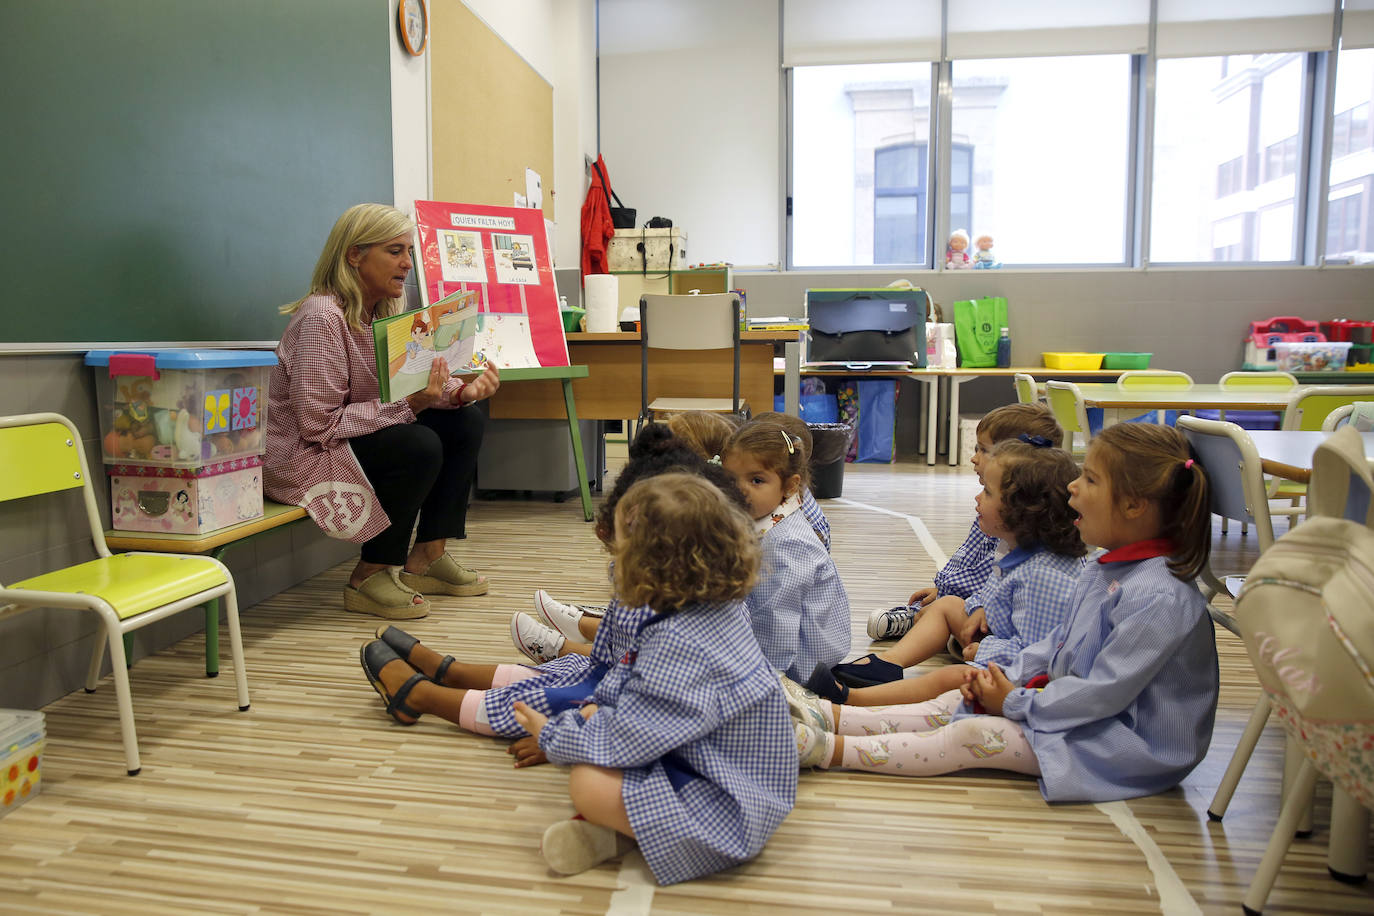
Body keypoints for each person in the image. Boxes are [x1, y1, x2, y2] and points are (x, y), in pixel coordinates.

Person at [787, 424, 1219, 804]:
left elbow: (1102, 693)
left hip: (1124, 745)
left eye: (1089, 479)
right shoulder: (1110, 565)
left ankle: (822, 749)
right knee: (958, 698)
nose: (1073, 488)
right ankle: (831, 716)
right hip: (1082, 715)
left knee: (971, 735)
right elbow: (1058, 645)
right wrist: (1003, 677)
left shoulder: (1158, 596)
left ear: (1134, 506)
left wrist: (1013, 700)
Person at [356, 423, 752, 771]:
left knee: (543, 701)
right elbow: (615, 664)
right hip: (614, 684)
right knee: (555, 676)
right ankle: (452, 672)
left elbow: (637, 709)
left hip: (624, 706)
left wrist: (567, 740)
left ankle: (424, 697)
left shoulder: (675, 627)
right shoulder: (676, 593)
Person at [515, 473, 797, 883]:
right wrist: (593, 714)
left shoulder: (678, 638)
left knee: (586, 784)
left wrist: (555, 736)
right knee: (596, 720)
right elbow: (637, 684)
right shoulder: (710, 608)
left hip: (728, 810)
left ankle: (655, 835)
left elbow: (635, 733)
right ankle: (627, 835)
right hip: (712, 759)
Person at [264, 203, 501, 619]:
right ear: (355, 255)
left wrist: (462, 394)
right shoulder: (323, 317)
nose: (408, 264)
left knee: (464, 421)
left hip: (347, 435)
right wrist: (409, 407)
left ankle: (427, 556)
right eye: (395, 251)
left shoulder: (382, 311)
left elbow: (415, 383)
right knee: (419, 443)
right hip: (304, 455)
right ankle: (369, 576)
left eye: (408, 252)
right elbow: (318, 425)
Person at [802, 439, 1086, 705]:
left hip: (1022, 678)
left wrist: (984, 651)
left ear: (1023, 511)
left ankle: (853, 700)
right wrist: (980, 608)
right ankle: (888, 664)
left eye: (987, 492)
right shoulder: (1015, 548)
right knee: (947, 605)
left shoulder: (1046, 577)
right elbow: (996, 592)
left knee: (950, 678)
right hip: (993, 635)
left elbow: (1038, 655)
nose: (978, 498)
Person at [867, 403, 1064, 641]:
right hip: (973, 602)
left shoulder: (1013, 524)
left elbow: (992, 582)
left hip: (989, 620)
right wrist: (943, 589)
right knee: (941, 608)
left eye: (983, 450)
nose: (974, 458)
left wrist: (953, 602)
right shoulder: (991, 509)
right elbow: (968, 563)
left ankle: (929, 626)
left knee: (939, 615)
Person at [720, 417, 850, 682]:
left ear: (790, 486)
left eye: (756, 480)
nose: (740, 490)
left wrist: (764, 682)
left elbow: (777, 622)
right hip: (781, 644)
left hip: (802, 665)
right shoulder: (765, 517)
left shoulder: (786, 543)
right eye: (731, 480)